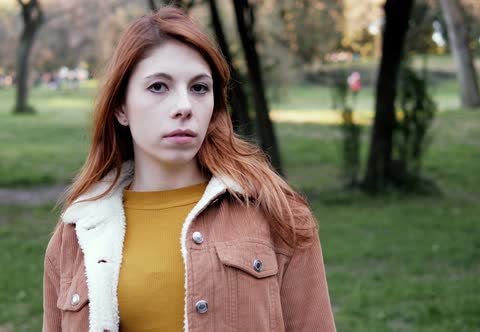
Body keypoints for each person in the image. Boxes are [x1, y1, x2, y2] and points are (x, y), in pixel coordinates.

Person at [43, 6, 335, 332]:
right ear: (121, 107)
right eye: (158, 87)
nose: (184, 107)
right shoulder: (76, 234)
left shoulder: (278, 214)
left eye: (199, 88)